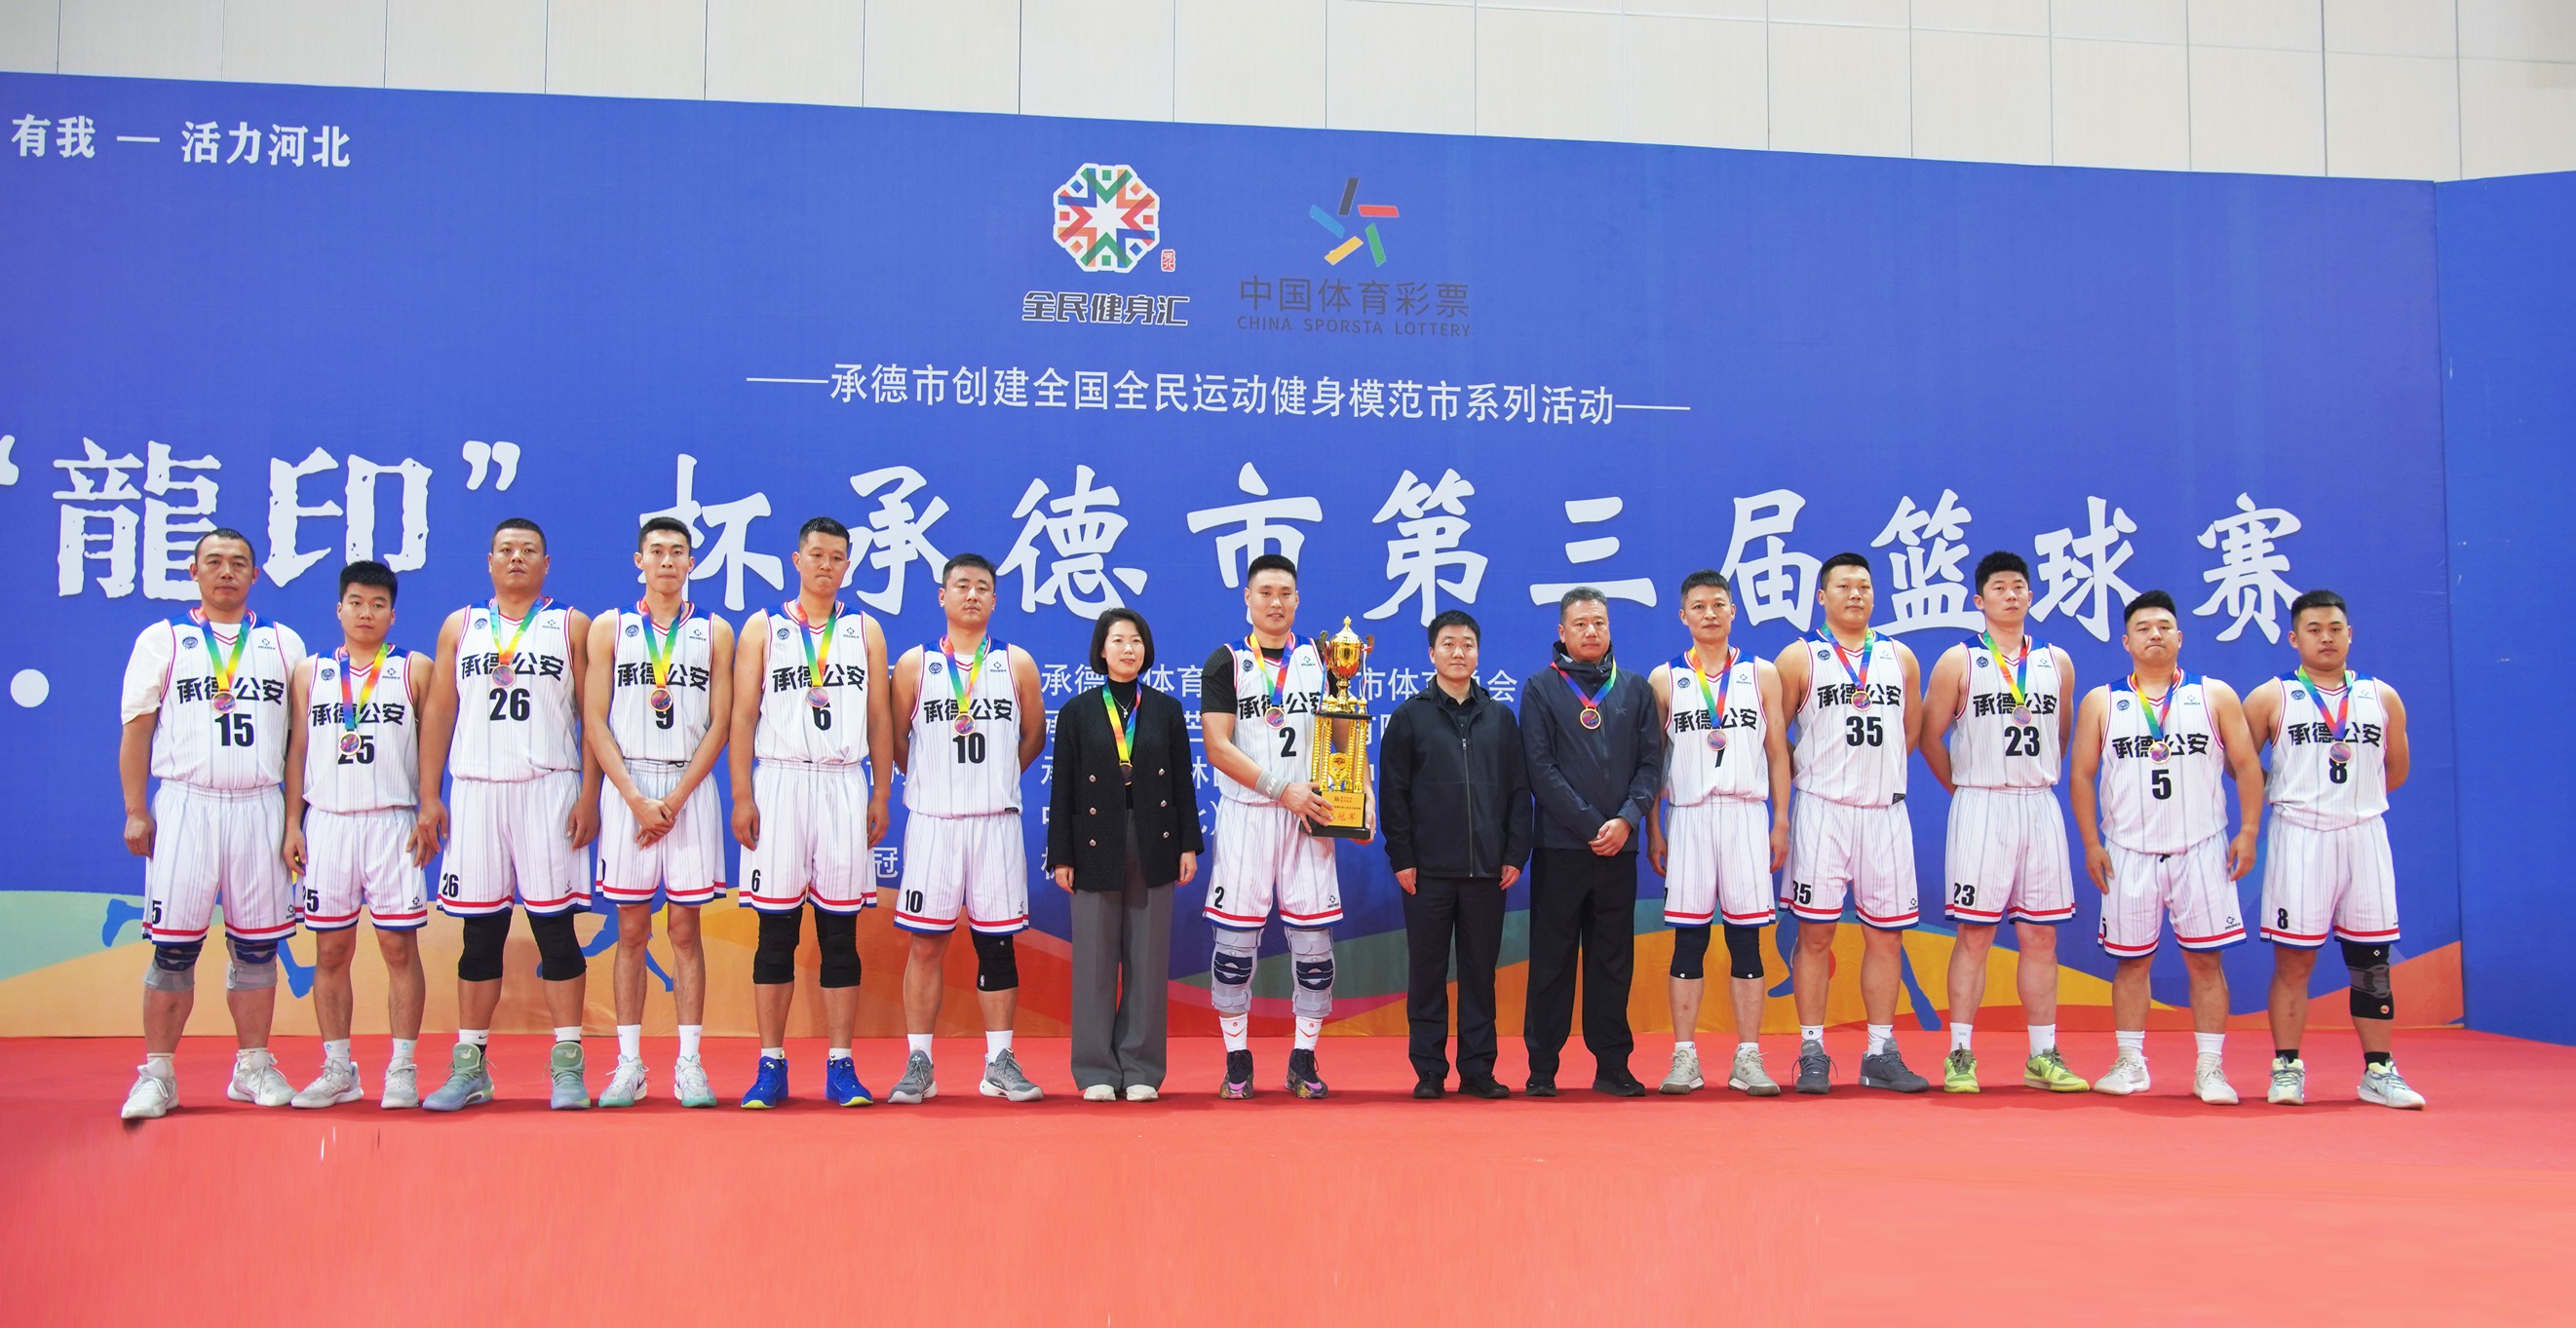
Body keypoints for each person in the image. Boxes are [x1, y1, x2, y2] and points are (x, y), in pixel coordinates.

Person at [117, 529, 309, 1120]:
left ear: (255, 575)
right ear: (193, 571)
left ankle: (253, 1067)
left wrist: (294, 819)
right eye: (215, 562)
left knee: (257, 949)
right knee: (173, 951)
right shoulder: (162, 639)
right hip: (186, 804)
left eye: (239, 563)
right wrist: (135, 808)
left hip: (259, 805)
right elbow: (137, 729)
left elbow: (300, 744)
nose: (227, 572)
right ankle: (157, 1076)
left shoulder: (283, 643)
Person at [416, 518, 604, 1112]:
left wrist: (590, 794)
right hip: (476, 790)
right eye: (506, 550)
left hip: (549, 788)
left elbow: (593, 716)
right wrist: (430, 794)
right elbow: (439, 711)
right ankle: (469, 1066)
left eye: (528, 551)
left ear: (546, 564)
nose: (516, 558)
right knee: (480, 935)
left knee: (556, 931)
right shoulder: (461, 626)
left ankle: (568, 1066)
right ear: (489, 561)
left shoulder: (570, 625)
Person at [2070, 589, 2265, 1106]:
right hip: (2128, 851)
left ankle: (2210, 1069)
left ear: (2180, 636)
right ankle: (2130, 1063)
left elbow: (2247, 765)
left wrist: (2248, 831)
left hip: (2201, 847)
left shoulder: (2214, 695)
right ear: (2126, 641)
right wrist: (2091, 842)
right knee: (2131, 963)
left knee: (2206, 963)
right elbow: (2082, 775)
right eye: (2143, 628)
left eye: (2163, 627)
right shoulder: (2101, 701)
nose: (2154, 634)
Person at [731, 516, 892, 1109]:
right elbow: (742, 715)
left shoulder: (864, 629)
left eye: (837, 557)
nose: (826, 565)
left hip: (843, 782)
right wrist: (742, 794)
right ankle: (770, 1065)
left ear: (847, 565)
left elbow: (879, 717)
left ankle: (841, 1064)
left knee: (839, 933)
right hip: (780, 781)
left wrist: (880, 793)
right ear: (796, 561)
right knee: (774, 932)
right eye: (817, 555)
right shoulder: (764, 627)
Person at [1916, 551, 2092, 1094]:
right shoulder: (1959, 661)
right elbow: (1928, 736)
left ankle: (2042, 1055)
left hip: (2038, 804)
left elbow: (2061, 733)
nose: (2011, 594)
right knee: (1975, 934)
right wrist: (1964, 789)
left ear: (2031, 596)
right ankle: (1960, 1054)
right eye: (1999, 587)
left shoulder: (2057, 662)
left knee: (2041, 936)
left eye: (2019, 586)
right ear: (1979, 600)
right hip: (1982, 803)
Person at [2243, 589, 2424, 1109]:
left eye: (2335, 628)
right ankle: (2286, 1067)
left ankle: (2379, 1071)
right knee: (2295, 962)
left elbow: (2397, 769)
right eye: (2314, 629)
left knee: (2372, 962)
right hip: (2300, 834)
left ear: (2350, 634)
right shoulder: (2270, 697)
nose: (2326, 637)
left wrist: (2354, 801)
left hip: (2364, 834)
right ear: (2293, 638)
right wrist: (2291, 793)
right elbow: (2241, 764)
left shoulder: (2381, 696)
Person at [582, 517, 734, 1108]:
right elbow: (594, 719)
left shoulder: (715, 631)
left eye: (677, 552)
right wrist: (634, 799)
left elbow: (721, 723)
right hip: (629, 786)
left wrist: (671, 801)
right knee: (629, 929)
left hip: (688, 789)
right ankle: (629, 1065)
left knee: (685, 930)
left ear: (691, 563)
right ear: (638, 561)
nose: (667, 561)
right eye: (657, 551)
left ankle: (689, 1063)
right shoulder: (610, 628)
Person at [885, 553, 1048, 1105]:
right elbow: (896, 741)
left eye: (982, 587)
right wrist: (931, 780)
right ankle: (920, 1062)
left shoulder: (1016, 662)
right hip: (934, 823)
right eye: (961, 586)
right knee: (926, 945)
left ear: (995, 600)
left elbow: (1034, 735)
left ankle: (998, 1061)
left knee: (996, 945)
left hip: (995, 824)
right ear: (942, 595)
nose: (972, 594)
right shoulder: (915, 664)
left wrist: (996, 778)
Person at [1199, 553, 1352, 1100]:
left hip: (1308, 817)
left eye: (1286, 592)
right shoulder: (1226, 662)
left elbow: (1344, 734)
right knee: (1234, 949)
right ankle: (1237, 1060)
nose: (1276, 602)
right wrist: (1278, 788)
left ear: (1298, 598)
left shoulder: (1323, 659)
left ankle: (1303, 1060)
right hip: (1249, 815)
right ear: (1248, 597)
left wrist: (1359, 793)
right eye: (1265, 592)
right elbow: (1217, 746)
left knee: (1314, 950)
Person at [1775, 552, 1929, 1094]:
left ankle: (1880, 1052)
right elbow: (1775, 737)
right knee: (1815, 934)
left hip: (1884, 812)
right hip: (1823, 809)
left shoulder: (1900, 657)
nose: (1855, 594)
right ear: (1822, 596)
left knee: (1886, 937)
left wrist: (1875, 775)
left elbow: (1911, 731)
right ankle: (1812, 1050)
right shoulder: (1799, 657)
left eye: (1864, 586)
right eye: (1843, 586)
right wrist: (1815, 772)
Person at [280, 559, 432, 1110]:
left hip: (392, 821)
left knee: (398, 947)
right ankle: (338, 1068)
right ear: (339, 609)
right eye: (357, 603)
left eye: (378, 604)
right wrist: (292, 823)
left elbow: (434, 747)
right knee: (330, 950)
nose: (366, 613)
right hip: (328, 822)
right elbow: (297, 751)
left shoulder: (415, 669)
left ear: (393, 614)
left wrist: (429, 808)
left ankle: (403, 1067)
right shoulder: (310, 672)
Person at [1644, 572, 1791, 1097]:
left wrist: (1780, 820)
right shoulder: (1664, 679)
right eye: (1699, 606)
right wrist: (1654, 828)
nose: (1710, 614)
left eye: (1718, 605)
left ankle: (1748, 1057)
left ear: (1733, 611)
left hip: (1746, 813)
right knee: (1689, 938)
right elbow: (1654, 761)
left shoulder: (1761, 673)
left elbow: (1778, 752)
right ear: (1683, 615)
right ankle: (1684, 1057)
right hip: (1688, 815)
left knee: (1746, 939)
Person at [1047, 608, 1201, 1102]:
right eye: (1117, 640)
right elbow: (1063, 789)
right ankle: (1095, 1068)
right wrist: (1061, 856)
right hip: (1094, 839)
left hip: (1155, 837)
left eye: (1135, 640)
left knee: (1148, 958)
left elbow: (1183, 784)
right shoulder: (1076, 712)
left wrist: (1188, 844)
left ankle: (1140, 1068)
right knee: (1094, 958)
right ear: (1101, 649)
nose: (1128, 649)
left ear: (1146, 649)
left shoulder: (1166, 709)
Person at [1378, 609, 1532, 1100]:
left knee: (1480, 975)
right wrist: (1402, 857)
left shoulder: (1500, 718)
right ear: (1432, 653)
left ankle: (1478, 1069)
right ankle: (1428, 1070)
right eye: (1448, 643)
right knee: (1427, 974)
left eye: (1467, 643)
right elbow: (1393, 794)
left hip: (1488, 871)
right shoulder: (1409, 717)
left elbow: (1519, 790)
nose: (1458, 652)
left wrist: (1515, 852)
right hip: (1426, 872)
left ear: (1478, 653)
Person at [1519, 587, 1662, 1098]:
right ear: (1562, 632)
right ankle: (1542, 1068)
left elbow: (1651, 765)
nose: (1591, 631)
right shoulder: (1540, 688)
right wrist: (1589, 824)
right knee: (1552, 960)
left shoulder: (1636, 689)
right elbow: (1540, 768)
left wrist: (1625, 820)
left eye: (1599, 622)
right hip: (1561, 848)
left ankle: (1613, 1066)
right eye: (1580, 624)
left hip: (1619, 848)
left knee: (1612, 961)